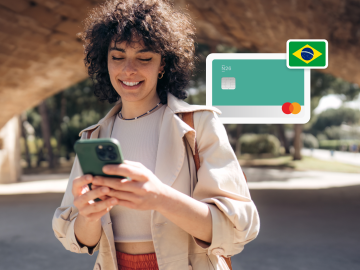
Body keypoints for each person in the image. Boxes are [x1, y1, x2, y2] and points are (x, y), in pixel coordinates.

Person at [52, 0, 260, 270]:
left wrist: (160, 197)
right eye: (117, 57)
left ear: (163, 64)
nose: (129, 69)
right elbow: (78, 240)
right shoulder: (93, 138)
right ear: (105, 61)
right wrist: (90, 217)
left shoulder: (201, 124)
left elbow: (240, 228)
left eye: (145, 58)